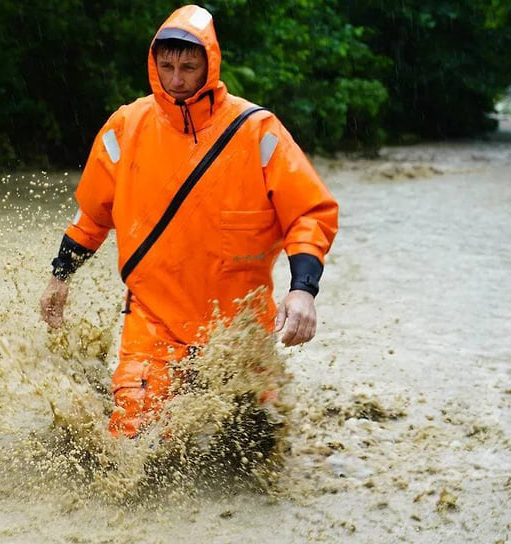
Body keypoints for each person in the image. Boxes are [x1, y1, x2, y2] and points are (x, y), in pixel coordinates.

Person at [39, 5, 339, 438]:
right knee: (130, 438)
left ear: (210, 66)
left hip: (237, 326)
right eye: (167, 66)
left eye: (188, 67)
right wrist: (59, 276)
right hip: (152, 319)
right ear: (153, 65)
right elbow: (91, 215)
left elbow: (310, 211)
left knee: (260, 442)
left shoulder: (257, 130)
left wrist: (303, 290)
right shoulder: (125, 128)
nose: (176, 79)